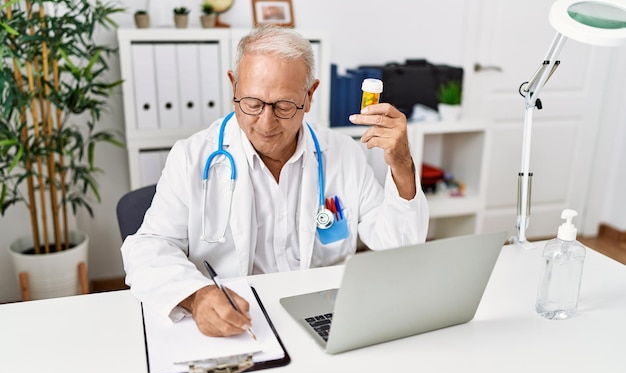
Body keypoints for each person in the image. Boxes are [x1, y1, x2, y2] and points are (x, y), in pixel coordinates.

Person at [121, 25, 429, 338]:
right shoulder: (191, 157)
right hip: (239, 323)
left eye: (284, 106)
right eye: (253, 103)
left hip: (322, 316)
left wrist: (402, 163)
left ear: (309, 96)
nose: (266, 123)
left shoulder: (344, 155)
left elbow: (400, 245)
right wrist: (195, 295)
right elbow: (147, 248)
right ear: (233, 87)